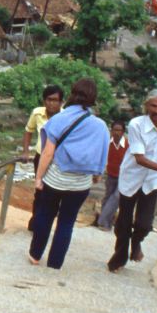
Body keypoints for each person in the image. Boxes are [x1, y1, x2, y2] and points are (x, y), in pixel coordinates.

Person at [29, 79, 109, 269]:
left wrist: (39, 178)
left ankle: (35, 255)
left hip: (55, 179)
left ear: (72, 93)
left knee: (45, 215)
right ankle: (55, 263)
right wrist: (97, 174)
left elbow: (48, 152)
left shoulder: (59, 119)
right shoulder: (100, 125)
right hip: (80, 184)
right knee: (66, 222)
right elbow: (103, 152)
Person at [109, 90, 157, 273]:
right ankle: (119, 257)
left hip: (153, 179)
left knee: (144, 224)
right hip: (131, 176)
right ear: (146, 106)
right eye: (154, 106)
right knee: (123, 222)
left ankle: (136, 243)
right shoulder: (136, 124)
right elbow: (140, 159)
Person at [23, 85, 63, 230]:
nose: (52, 103)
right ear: (44, 100)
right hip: (40, 157)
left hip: (58, 160)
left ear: (61, 102)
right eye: (49, 99)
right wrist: (26, 151)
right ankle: (35, 222)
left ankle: (46, 223)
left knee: (54, 193)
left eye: (56, 100)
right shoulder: (37, 113)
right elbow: (28, 131)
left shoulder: (65, 117)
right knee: (39, 191)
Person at [95, 119, 128, 230]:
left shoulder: (128, 144)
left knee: (116, 197)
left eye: (119, 130)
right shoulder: (107, 143)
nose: (117, 133)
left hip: (124, 176)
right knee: (108, 197)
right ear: (111, 130)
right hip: (110, 174)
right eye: (114, 130)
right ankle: (107, 224)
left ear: (123, 132)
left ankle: (102, 221)